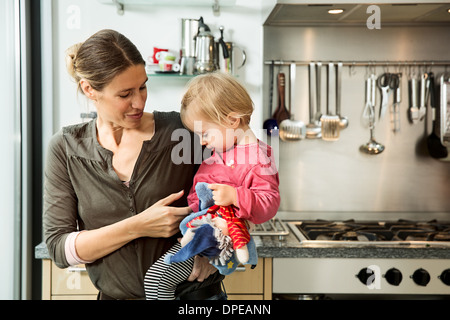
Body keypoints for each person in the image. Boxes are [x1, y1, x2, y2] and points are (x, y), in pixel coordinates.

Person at [43, 29, 224, 300]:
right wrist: (138, 225)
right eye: (125, 94)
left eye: (142, 87)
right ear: (90, 89)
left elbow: (245, 182)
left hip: (196, 298)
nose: (139, 101)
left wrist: (217, 246)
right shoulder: (66, 148)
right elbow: (59, 248)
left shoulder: (182, 132)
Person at [144, 72, 280, 300]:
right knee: (157, 283)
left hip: (223, 237)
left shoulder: (259, 157)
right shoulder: (219, 153)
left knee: (157, 279)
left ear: (232, 121)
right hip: (203, 231)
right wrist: (195, 215)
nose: (202, 141)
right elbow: (199, 196)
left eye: (204, 133)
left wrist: (236, 196)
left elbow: (270, 202)